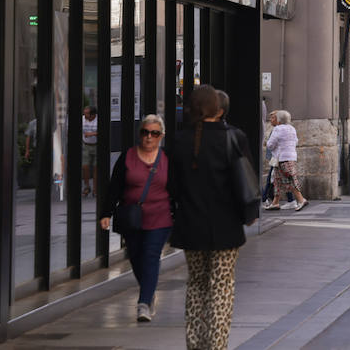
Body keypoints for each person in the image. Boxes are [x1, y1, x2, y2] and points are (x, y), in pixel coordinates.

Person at [168, 84, 256, 350]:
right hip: (225, 227)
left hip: (190, 226)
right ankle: (216, 345)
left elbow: (172, 186)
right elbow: (246, 181)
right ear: (218, 109)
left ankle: (194, 344)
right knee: (221, 287)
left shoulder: (180, 140)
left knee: (195, 284)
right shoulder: (234, 137)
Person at [100, 113, 172, 322]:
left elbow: (177, 187)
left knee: (150, 255)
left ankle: (143, 303)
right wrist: (106, 213)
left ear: (161, 136)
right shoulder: (128, 156)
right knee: (136, 257)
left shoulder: (167, 158)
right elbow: (115, 186)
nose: (149, 137)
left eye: (154, 133)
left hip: (160, 217)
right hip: (132, 217)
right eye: (145, 132)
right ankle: (149, 292)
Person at [265, 110, 308, 211]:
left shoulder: (277, 129)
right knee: (277, 181)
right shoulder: (292, 128)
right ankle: (275, 203)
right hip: (291, 157)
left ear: (279, 120)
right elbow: (296, 141)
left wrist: (270, 145)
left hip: (282, 158)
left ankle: (301, 200)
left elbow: (270, 144)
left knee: (289, 180)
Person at [81, 105, 99, 198]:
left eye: (87, 113)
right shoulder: (82, 119)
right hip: (86, 145)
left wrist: (92, 133)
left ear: (93, 115)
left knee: (96, 168)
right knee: (85, 166)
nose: (84, 115)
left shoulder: (98, 120)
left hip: (96, 146)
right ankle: (87, 186)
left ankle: (96, 189)